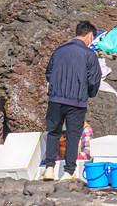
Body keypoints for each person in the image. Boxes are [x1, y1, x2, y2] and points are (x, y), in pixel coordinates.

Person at [40, 20, 101, 181]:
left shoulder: (59, 51)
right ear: (89, 35)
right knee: (74, 136)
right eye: (92, 38)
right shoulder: (89, 55)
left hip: (55, 100)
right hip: (77, 101)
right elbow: (94, 81)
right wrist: (88, 93)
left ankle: (49, 169)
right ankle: (68, 172)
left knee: (54, 133)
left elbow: (48, 74)